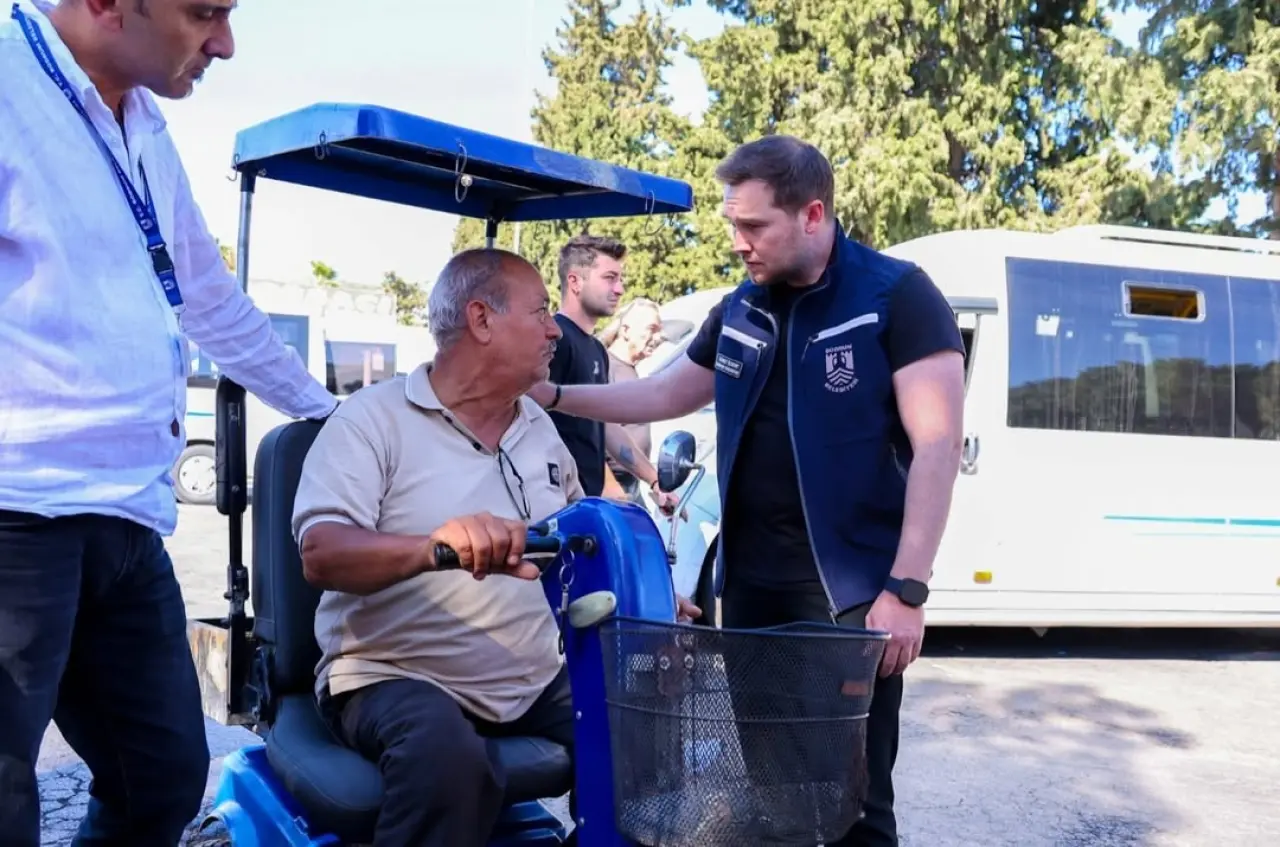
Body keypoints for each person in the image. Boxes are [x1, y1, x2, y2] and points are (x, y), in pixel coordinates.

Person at [528, 135, 966, 847]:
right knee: (771, 795)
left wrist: (906, 589)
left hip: (847, 600)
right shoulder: (742, 307)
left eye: (754, 226)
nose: (738, 242)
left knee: (853, 805)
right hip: (753, 594)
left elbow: (938, 445)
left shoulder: (895, 296)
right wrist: (549, 392)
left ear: (813, 214)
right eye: (734, 224)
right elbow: (666, 390)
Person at [0, 2, 337, 845]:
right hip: (16, 519)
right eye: (204, 13)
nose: (224, 43)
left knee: (162, 777)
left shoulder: (143, 125)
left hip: (128, 525)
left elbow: (211, 303)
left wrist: (335, 416)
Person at [293, 248, 698, 847]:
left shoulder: (539, 431)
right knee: (445, 757)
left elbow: (579, 547)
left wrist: (652, 600)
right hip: (393, 675)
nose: (555, 328)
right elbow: (322, 555)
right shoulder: (370, 421)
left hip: (529, 675)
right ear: (481, 320)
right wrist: (436, 547)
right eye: (539, 311)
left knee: (647, 723)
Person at [545, 235, 677, 512]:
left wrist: (654, 481)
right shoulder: (553, 338)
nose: (620, 289)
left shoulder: (596, 349)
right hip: (552, 507)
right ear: (575, 282)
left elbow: (605, 426)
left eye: (621, 279)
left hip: (587, 507)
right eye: (609, 278)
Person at [597, 297, 664, 499]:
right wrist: (609, 486)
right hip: (609, 487)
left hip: (632, 483)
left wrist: (654, 484)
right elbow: (590, 431)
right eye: (652, 329)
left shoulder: (629, 370)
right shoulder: (604, 367)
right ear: (625, 330)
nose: (658, 337)